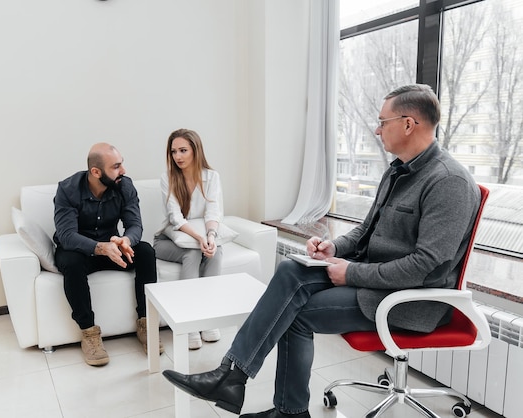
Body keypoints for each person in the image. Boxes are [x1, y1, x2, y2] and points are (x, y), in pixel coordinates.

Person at [162, 84, 481, 417]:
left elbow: (424, 267)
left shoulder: (448, 182)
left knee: (294, 313)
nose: (377, 128)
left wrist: (351, 272)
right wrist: (334, 247)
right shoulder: (397, 171)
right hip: (372, 280)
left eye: (382, 121)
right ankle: (233, 376)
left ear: (408, 124)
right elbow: (366, 230)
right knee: (290, 270)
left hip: (407, 299)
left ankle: (277, 405)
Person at [53, 143, 163, 367]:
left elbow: (135, 225)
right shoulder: (68, 189)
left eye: (121, 163)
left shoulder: (125, 186)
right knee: (70, 261)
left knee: (144, 251)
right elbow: (66, 235)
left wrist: (126, 240)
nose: (123, 170)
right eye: (116, 166)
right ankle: (89, 333)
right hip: (80, 251)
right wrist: (100, 247)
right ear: (96, 172)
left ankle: (146, 324)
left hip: (111, 249)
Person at [154, 128, 224, 350]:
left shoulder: (212, 177)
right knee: (193, 252)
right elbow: (175, 218)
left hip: (201, 236)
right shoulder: (168, 178)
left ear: (196, 150)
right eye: (174, 152)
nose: (178, 156)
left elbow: (213, 213)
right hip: (167, 241)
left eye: (183, 150)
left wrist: (211, 237)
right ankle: (190, 324)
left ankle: (209, 318)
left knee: (216, 251)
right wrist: (199, 238)